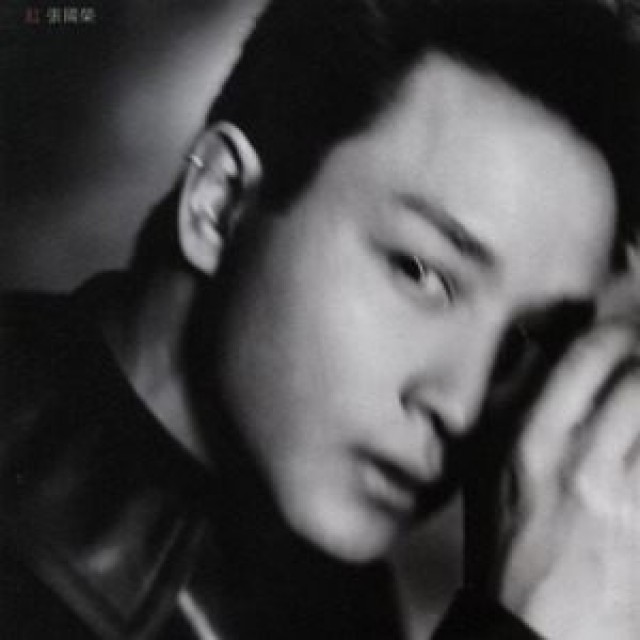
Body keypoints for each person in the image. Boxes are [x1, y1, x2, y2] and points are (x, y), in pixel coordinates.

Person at [1, 0, 640, 638]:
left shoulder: (329, 589)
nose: (462, 407)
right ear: (217, 203)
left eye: (526, 339)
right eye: (420, 271)